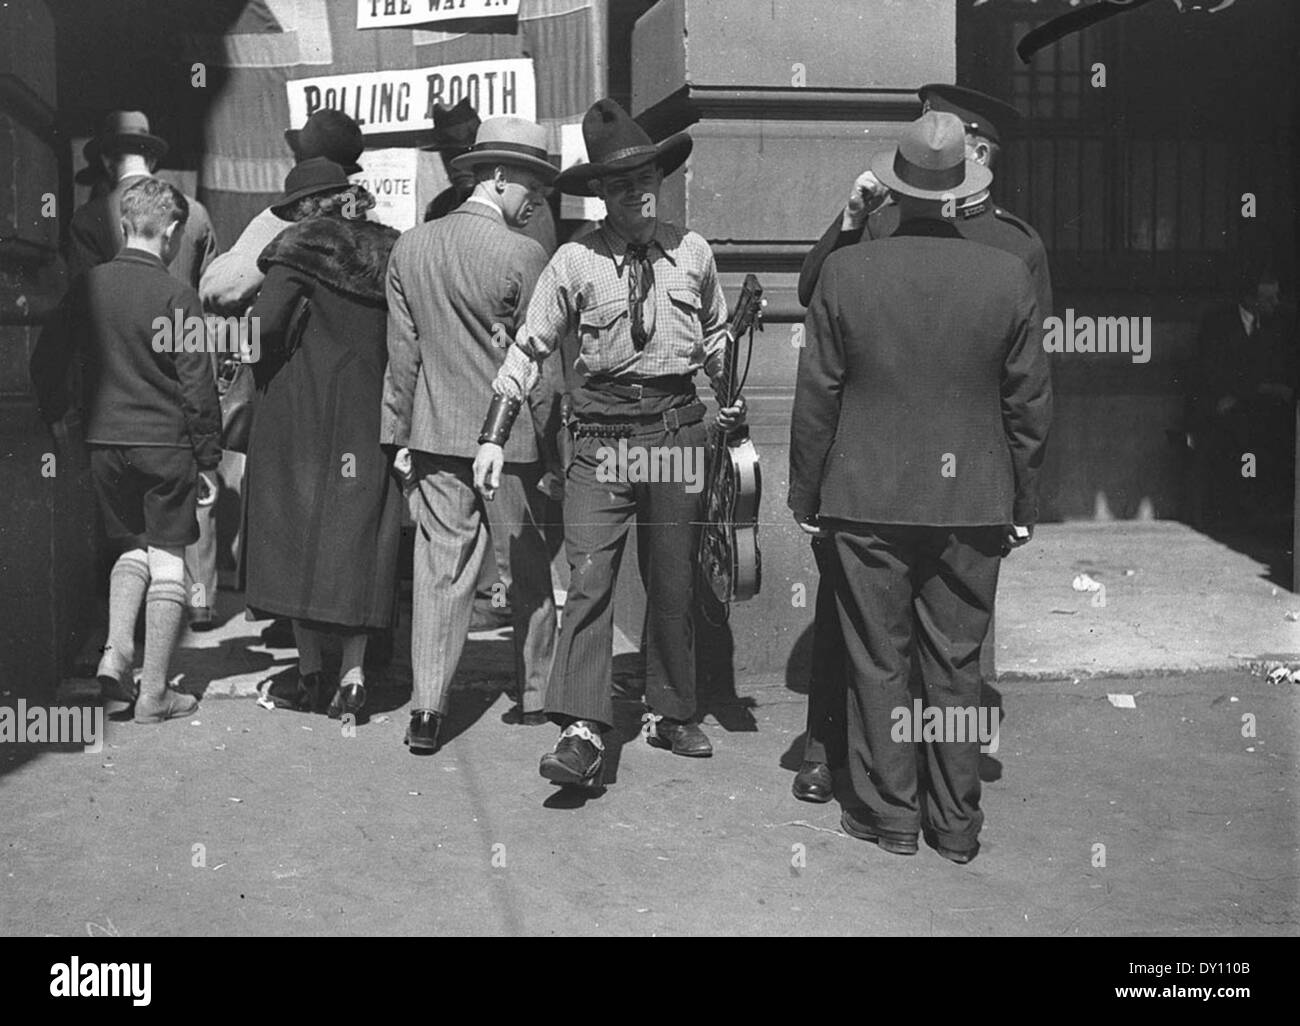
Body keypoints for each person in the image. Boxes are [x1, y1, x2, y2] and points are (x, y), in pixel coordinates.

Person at [790, 111, 1053, 862]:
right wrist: (1023, 504)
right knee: (956, 664)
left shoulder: (847, 271)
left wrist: (805, 497)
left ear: (896, 189)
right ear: (961, 187)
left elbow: (818, 399)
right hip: (973, 501)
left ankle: (890, 816)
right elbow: (1029, 403)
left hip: (866, 496)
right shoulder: (1008, 273)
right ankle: (957, 824)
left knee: (878, 659)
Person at [473, 99, 747, 789]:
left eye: (648, 175)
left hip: (675, 431)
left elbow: (715, 336)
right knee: (590, 578)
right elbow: (527, 349)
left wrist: (727, 383)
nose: (640, 190)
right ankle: (583, 729)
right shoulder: (572, 263)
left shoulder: (693, 252)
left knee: (674, 577)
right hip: (599, 439)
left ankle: (671, 710)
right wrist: (492, 438)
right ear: (599, 194)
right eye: (623, 182)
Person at [382, 116, 562, 754]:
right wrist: (550, 447)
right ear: (496, 176)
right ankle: (537, 695)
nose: (538, 196)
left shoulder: (411, 247)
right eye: (531, 183)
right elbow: (538, 367)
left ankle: (428, 709)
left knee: (439, 570)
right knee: (530, 566)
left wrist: (396, 436)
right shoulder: (525, 254)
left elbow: (401, 357)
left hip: (433, 435)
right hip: (509, 443)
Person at [53, 178, 220, 722]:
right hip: (166, 446)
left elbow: (47, 356)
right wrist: (209, 458)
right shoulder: (177, 296)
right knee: (169, 556)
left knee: (129, 547)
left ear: (124, 226)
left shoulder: (89, 286)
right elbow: (197, 384)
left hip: (105, 443)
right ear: (172, 233)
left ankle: (115, 657)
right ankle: (153, 693)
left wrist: (57, 414)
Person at [242, 158, 402, 719]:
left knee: (294, 531)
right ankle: (355, 677)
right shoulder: (392, 250)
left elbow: (260, 332)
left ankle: (311, 673)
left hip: (298, 410)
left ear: (308, 208)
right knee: (358, 537)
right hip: (371, 411)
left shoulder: (298, 249)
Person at [1188, 268, 1295, 526]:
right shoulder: (1218, 324)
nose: (1275, 304)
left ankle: (1263, 505)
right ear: (1250, 299)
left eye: (1276, 297)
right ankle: (1242, 507)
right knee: (1243, 440)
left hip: (1253, 405)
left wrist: (1256, 391)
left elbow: (1277, 370)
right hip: (1219, 405)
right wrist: (1256, 390)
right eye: (1268, 299)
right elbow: (1213, 374)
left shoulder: (1277, 324)